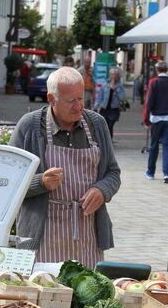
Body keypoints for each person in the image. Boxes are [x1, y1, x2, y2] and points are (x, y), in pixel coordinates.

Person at [10, 66, 121, 268]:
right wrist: (40, 182)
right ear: (52, 99)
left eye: (81, 99)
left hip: (88, 236)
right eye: (71, 101)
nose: (78, 106)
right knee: (44, 293)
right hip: (42, 237)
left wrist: (101, 190)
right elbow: (8, 182)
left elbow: (113, 173)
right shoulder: (30, 126)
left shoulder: (97, 124)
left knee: (88, 292)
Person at [143, 60, 168, 184]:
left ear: (157, 70)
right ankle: (167, 174)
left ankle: (151, 172)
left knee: (154, 146)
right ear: (167, 70)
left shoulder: (154, 83)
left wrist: (146, 119)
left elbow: (149, 102)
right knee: (167, 147)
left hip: (156, 119)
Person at [94, 68, 126, 140]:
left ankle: (109, 141)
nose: (113, 76)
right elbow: (100, 97)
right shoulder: (105, 85)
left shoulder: (119, 86)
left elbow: (122, 98)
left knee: (110, 125)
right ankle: (106, 141)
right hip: (104, 108)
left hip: (114, 109)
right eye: (112, 74)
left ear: (117, 76)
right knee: (105, 126)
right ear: (109, 75)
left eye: (115, 75)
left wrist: (116, 90)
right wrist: (96, 107)